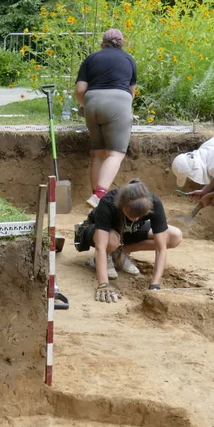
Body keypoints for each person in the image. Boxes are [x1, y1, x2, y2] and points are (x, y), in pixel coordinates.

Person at [73, 180, 183, 303]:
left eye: (140, 216)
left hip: (128, 231)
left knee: (174, 236)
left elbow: (160, 248)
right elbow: (100, 246)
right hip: (97, 231)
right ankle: (105, 257)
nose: (136, 219)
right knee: (112, 241)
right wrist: (103, 284)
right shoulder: (109, 202)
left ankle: (120, 253)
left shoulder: (154, 203)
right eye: (132, 215)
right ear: (122, 206)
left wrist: (155, 285)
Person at [74, 28, 137, 210]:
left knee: (99, 153)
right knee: (115, 153)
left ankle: (96, 197)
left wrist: (85, 105)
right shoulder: (128, 59)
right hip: (119, 102)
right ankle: (99, 195)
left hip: (92, 102)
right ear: (122, 42)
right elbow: (131, 92)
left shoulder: (91, 58)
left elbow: (79, 90)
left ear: (103, 43)